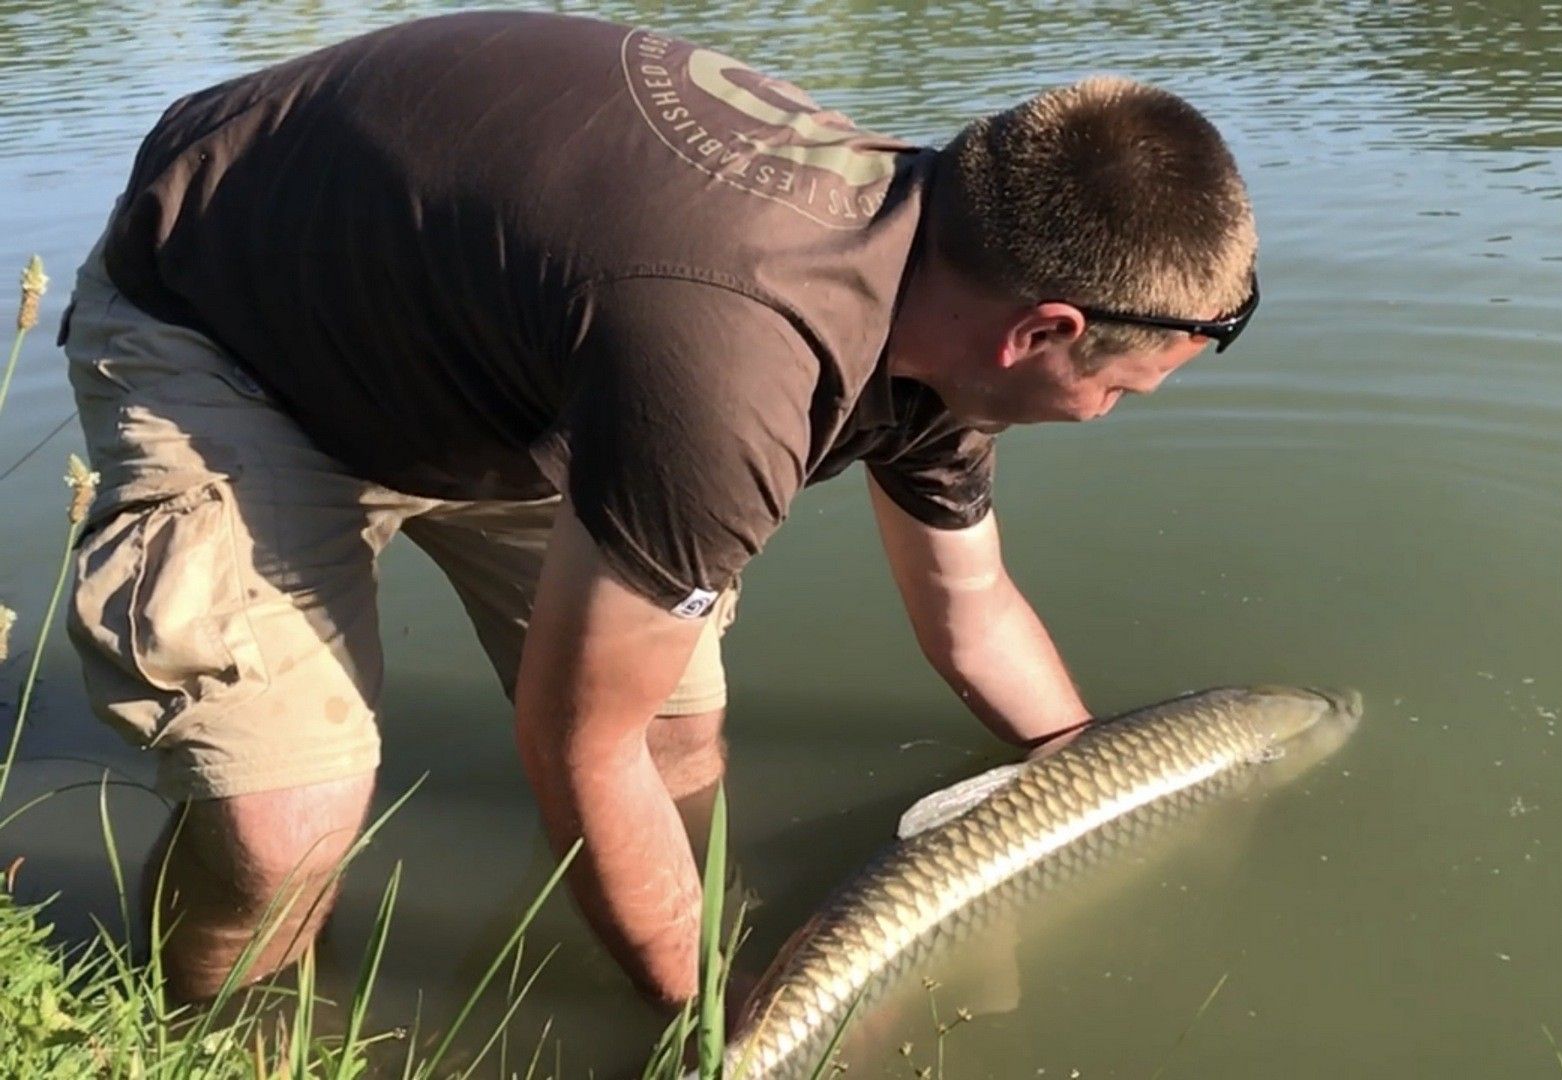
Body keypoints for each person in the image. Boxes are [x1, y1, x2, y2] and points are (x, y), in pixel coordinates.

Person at [58, 10, 1258, 1009]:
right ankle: (216, 1034)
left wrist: (1101, 781)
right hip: (237, 329)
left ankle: (650, 953)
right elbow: (574, 744)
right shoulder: (733, 367)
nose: (1104, 414)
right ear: (1039, 330)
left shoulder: (952, 273)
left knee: (680, 737)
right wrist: (724, 1024)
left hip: (519, 366)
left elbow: (972, 607)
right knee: (287, 829)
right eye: (1112, 386)